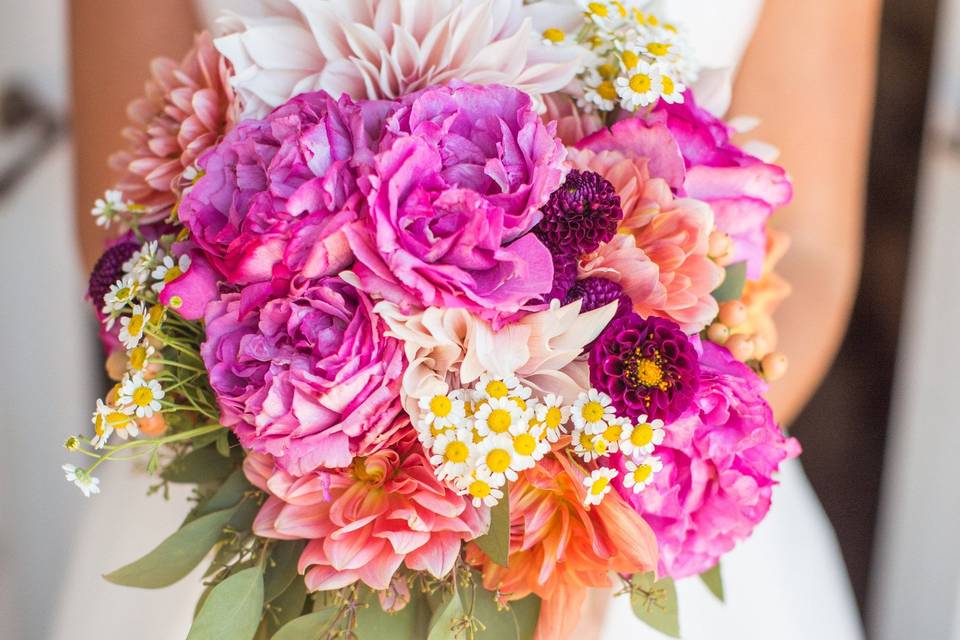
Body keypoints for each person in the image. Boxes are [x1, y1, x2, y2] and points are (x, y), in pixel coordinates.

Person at [66, 1, 882, 638]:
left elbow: (806, 253)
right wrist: (335, 453)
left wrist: (590, 515)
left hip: (619, 514)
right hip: (265, 478)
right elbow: (125, 220)